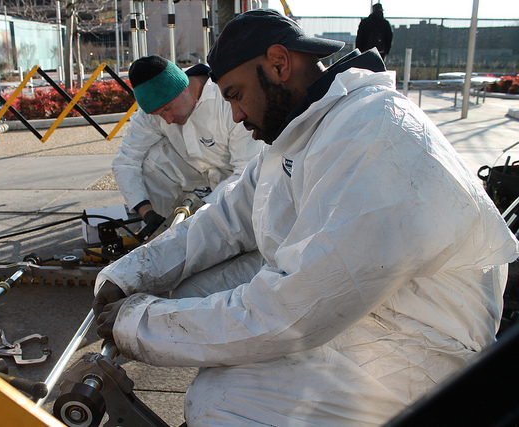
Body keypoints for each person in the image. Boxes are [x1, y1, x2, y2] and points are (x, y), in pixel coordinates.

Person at [94, 9, 518, 426]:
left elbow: (289, 312)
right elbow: (226, 217)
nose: (236, 116)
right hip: (371, 301)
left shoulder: (372, 136)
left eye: (235, 95)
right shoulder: (305, 128)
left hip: (422, 341)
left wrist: (138, 326)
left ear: (279, 63)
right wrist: (133, 273)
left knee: (219, 403)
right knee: (185, 291)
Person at [112, 55, 263, 228]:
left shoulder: (227, 101)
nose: (167, 120)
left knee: (235, 226)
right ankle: (161, 232)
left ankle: (196, 229)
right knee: (152, 160)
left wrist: (203, 210)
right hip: (196, 174)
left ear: (184, 88)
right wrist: (146, 212)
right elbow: (126, 160)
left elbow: (247, 172)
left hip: (235, 178)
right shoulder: (156, 112)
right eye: (160, 114)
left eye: (168, 108)